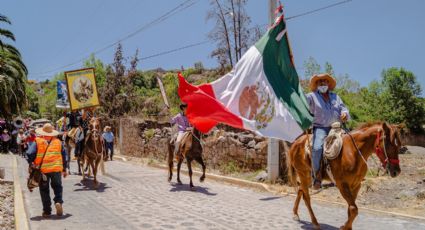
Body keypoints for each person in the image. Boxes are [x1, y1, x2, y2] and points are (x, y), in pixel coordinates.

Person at [306, 73, 350, 190]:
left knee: (351, 143)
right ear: (317, 84)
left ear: (328, 84)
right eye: (320, 82)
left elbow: (343, 108)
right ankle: (317, 176)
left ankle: (349, 171)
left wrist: (345, 113)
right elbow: (303, 101)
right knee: (317, 148)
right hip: (321, 127)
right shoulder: (311, 96)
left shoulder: (336, 97)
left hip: (337, 127)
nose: (322, 83)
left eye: (325, 81)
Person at [27, 123, 68, 218]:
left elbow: (29, 153)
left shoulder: (37, 141)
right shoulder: (58, 142)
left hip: (43, 171)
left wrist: (31, 163)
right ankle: (58, 202)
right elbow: (64, 157)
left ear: (42, 132)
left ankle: (47, 211)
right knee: (57, 187)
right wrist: (64, 169)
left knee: (44, 190)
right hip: (56, 169)